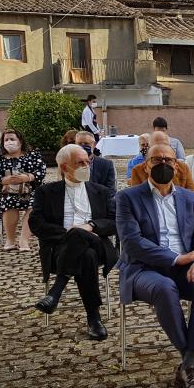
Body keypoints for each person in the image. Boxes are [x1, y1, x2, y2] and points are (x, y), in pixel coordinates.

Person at [115, 143, 194, 388]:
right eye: (156, 160)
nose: (163, 164)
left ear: (177, 164)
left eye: (168, 160)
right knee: (165, 287)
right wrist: (178, 258)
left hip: (186, 267)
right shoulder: (127, 197)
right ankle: (193, 362)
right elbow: (132, 243)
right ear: (145, 165)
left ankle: (189, 364)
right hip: (143, 269)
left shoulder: (191, 198)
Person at [29, 144, 117, 339]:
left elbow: (115, 222)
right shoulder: (46, 192)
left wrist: (92, 226)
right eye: (80, 162)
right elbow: (36, 224)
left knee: (83, 239)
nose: (86, 165)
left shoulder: (101, 191)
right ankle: (94, 318)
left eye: (88, 161)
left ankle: (56, 291)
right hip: (60, 248)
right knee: (86, 255)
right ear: (64, 166)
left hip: (98, 243)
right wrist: (68, 233)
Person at [0, 129, 46, 251]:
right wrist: (5, 180)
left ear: (20, 141)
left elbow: (41, 171)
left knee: (35, 204)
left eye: (12, 139)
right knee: (8, 202)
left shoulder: (33, 154)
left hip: (31, 190)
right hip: (7, 191)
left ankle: (24, 240)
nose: (9, 142)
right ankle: (10, 240)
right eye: (6, 140)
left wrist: (28, 177)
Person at [130, 132, 194, 190]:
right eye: (156, 146)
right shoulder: (138, 170)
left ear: (170, 146)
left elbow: (191, 194)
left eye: (164, 145)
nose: (161, 149)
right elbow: (136, 197)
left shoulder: (183, 168)